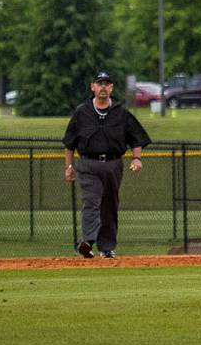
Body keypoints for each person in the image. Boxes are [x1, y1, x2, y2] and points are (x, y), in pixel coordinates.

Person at [63, 72, 150, 259]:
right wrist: (69, 167)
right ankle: (87, 242)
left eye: (106, 84)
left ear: (111, 88)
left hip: (113, 164)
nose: (103, 87)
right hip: (88, 163)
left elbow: (136, 138)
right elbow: (69, 143)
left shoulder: (121, 113)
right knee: (91, 200)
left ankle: (107, 247)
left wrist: (137, 158)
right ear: (92, 87)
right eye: (99, 83)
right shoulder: (82, 112)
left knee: (110, 205)